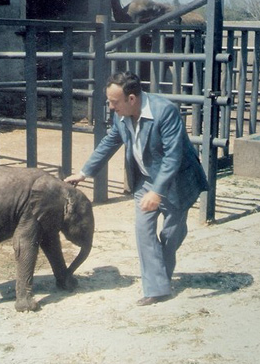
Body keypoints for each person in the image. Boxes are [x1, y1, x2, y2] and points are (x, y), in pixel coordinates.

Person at [65, 72, 208, 306]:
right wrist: (84, 173)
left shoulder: (165, 112)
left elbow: (173, 156)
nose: (111, 108)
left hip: (177, 182)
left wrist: (158, 192)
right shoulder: (123, 115)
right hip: (145, 181)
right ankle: (158, 289)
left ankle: (160, 274)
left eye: (114, 102)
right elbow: (110, 142)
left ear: (132, 99)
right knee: (144, 231)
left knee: (171, 235)